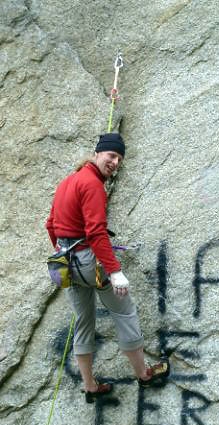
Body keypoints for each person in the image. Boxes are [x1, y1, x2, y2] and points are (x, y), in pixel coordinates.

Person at [46, 133, 169, 403]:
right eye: (111, 155)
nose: (115, 162)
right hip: (89, 262)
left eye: (119, 159)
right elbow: (96, 233)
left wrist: (63, 250)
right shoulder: (92, 185)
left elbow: (51, 224)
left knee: (83, 321)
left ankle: (89, 385)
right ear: (97, 152)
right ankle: (144, 374)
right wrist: (114, 271)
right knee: (125, 312)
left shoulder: (67, 182)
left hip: (65, 264)